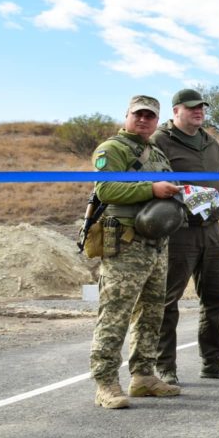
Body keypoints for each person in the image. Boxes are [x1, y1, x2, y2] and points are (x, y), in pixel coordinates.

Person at [90, 95, 182, 408]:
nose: (144, 120)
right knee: (115, 314)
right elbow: (106, 189)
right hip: (126, 245)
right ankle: (105, 383)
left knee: (152, 313)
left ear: (157, 121)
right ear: (127, 115)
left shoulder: (156, 153)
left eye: (150, 116)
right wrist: (151, 189)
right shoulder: (111, 149)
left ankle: (143, 376)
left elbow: (168, 190)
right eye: (138, 115)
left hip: (157, 245)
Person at [153, 88, 219, 384]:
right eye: (191, 107)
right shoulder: (159, 141)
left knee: (216, 297)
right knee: (168, 301)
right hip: (179, 231)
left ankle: (213, 361)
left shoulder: (212, 144)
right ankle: (165, 367)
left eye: (201, 107)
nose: (198, 111)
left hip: (212, 231)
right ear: (176, 111)